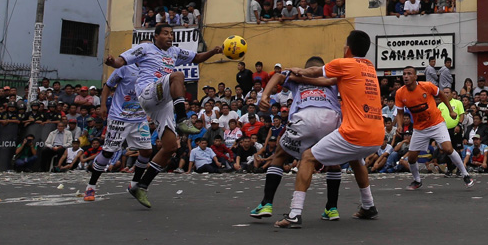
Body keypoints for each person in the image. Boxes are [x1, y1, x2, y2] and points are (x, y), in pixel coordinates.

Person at [104, 23, 223, 208]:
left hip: (163, 101)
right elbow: (121, 61)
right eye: (166, 33)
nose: (170, 36)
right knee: (177, 76)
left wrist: (214, 52)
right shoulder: (144, 48)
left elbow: (197, 58)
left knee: (170, 147)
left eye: (172, 34)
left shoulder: (175, 52)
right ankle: (183, 119)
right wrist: (112, 62)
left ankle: (141, 186)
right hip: (147, 92)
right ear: (156, 36)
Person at [275, 31, 384, 229]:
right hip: (376, 136)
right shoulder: (369, 67)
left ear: (348, 49)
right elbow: (328, 81)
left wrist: (295, 71)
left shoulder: (343, 63)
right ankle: (368, 206)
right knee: (356, 159)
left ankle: (294, 214)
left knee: (307, 157)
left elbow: (313, 72)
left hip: (355, 133)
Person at [249, 56, 343, 221]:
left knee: (279, 155)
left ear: (306, 67)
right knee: (333, 162)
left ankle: (266, 203)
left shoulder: (297, 76)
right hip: (331, 118)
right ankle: (332, 208)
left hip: (305, 116)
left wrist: (264, 96)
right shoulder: (332, 77)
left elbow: (277, 76)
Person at [392, 66, 473, 189]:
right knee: (412, 157)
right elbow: (400, 113)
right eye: (404, 74)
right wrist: (399, 125)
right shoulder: (400, 93)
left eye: (409, 74)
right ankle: (417, 180)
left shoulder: (426, 86)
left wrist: (451, 111)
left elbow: (441, 95)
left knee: (448, 149)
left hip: (436, 124)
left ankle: (465, 174)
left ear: (415, 76)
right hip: (420, 128)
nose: (406, 76)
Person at [83, 62, 153, 202]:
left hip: (139, 119)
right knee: (108, 152)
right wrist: (103, 105)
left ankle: (134, 185)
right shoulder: (124, 68)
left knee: (147, 151)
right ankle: (91, 186)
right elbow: (108, 86)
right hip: (119, 117)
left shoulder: (152, 70)